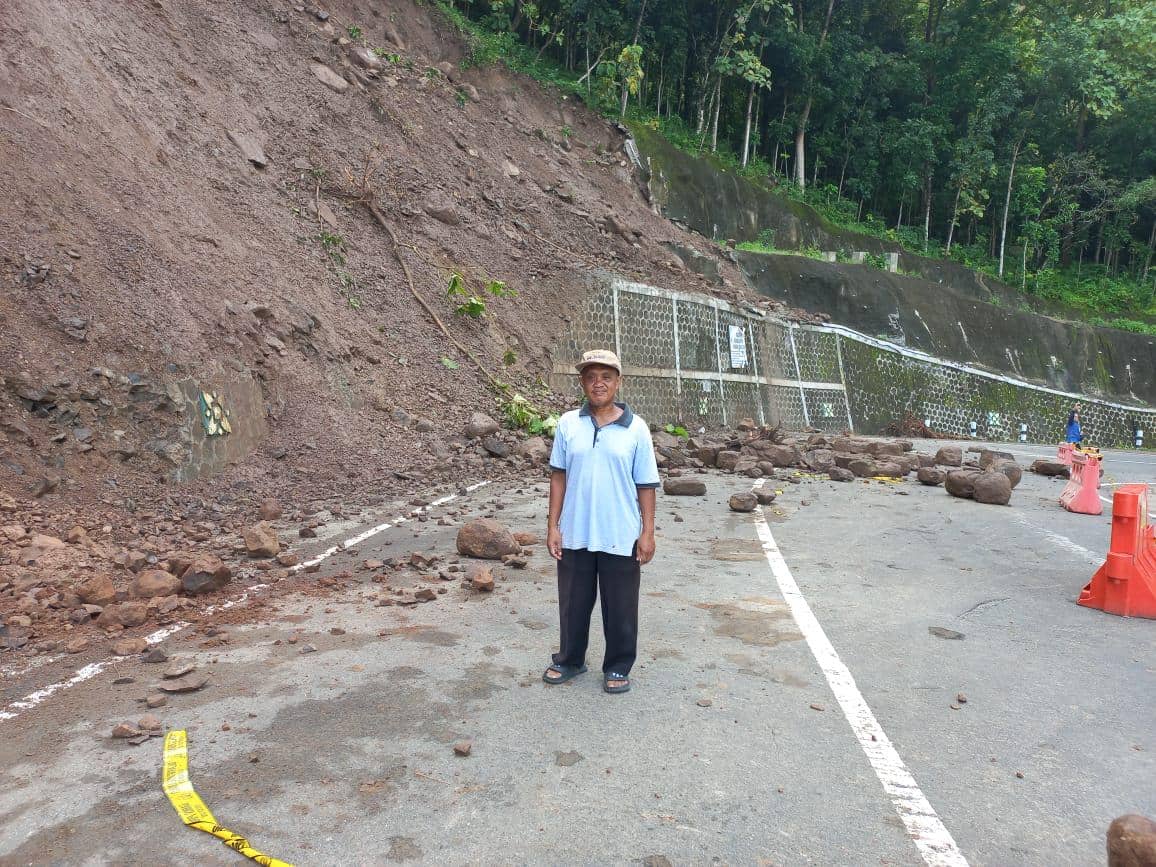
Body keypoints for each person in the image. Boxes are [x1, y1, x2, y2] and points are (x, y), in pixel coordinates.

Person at [543, 349, 659, 695]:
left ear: (618, 382)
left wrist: (647, 532)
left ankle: (618, 665)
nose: (598, 383)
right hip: (576, 531)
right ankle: (570, 659)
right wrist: (553, 526)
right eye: (591, 377)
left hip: (620, 533)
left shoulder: (636, 429)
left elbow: (646, 484)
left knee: (621, 605)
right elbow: (558, 477)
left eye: (606, 377)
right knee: (572, 602)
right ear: (582, 382)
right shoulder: (567, 424)